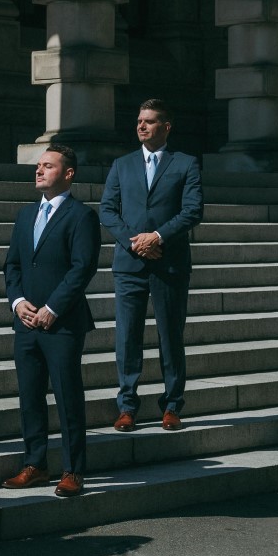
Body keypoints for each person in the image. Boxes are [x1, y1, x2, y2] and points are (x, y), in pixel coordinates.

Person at [1, 145, 101, 498]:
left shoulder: (81, 216)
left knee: (67, 395)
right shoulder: (25, 215)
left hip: (62, 324)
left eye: (48, 166)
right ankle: (35, 463)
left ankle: (73, 470)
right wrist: (17, 303)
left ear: (68, 174)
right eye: (38, 165)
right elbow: (12, 265)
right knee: (30, 395)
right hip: (25, 322)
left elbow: (82, 268)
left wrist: (53, 308)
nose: (39, 170)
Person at [100, 99, 203, 433]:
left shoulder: (186, 164)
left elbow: (192, 211)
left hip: (169, 263)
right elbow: (107, 210)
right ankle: (127, 406)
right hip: (130, 263)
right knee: (127, 337)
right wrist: (136, 241)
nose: (141, 126)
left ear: (166, 127)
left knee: (170, 336)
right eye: (139, 120)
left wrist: (157, 237)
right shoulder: (122, 164)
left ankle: (172, 406)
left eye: (149, 121)